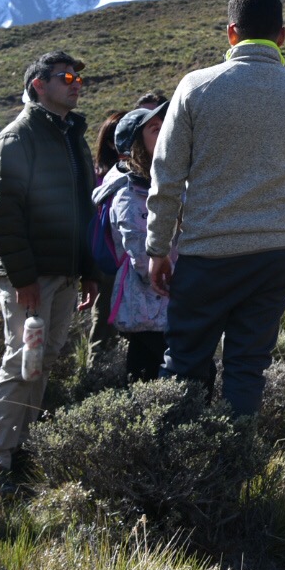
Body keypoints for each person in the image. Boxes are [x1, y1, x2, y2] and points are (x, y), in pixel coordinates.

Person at [146, 0, 285, 416]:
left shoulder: (195, 87)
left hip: (208, 252)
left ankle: (176, 466)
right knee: (248, 368)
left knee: (185, 363)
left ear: (231, 33)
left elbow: (166, 176)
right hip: (276, 252)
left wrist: (156, 248)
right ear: (282, 35)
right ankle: (235, 467)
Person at [0, 50, 101, 490]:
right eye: (66, 77)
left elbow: (83, 210)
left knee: (44, 361)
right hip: (30, 278)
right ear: (39, 85)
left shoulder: (71, 137)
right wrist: (23, 279)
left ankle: (21, 451)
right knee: (22, 362)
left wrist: (89, 270)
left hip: (64, 272)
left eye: (78, 79)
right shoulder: (17, 138)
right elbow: (3, 214)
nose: (75, 83)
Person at [106, 102, 171, 382]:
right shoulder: (129, 195)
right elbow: (144, 262)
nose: (166, 134)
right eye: (155, 130)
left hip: (164, 308)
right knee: (158, 378)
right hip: (147, 310)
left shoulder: (164, 186)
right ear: (135, 147)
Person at [88, 109, 129, 355]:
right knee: (104, 324)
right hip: (108, 264)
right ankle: (97, 379)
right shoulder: (99, 176)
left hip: (132, 261)